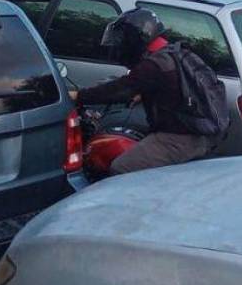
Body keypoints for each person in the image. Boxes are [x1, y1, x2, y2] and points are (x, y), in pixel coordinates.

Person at [70, 9, 220, 174]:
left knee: (121, 167)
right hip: (203, 133)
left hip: (180, 138)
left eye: (124, 40)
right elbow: (172, 85)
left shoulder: (153, 65)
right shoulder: (176, 52)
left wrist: (79, 96)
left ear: (135, 39)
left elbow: (119, 89)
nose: (121, 45)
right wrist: (144, 93)